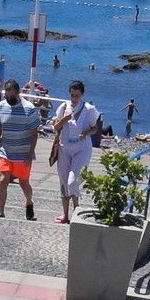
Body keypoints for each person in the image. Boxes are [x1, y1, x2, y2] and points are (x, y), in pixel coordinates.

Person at [51, 79, 99, 224]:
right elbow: (56, 127)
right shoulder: (63, 107)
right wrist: (64, 119)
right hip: (64, 148)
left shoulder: (89, 109)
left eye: (77, 95)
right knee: (64, 183)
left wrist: (86, 133)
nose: (74, 99)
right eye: (72, 95)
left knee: (72, 181)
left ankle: (77, 210)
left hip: (82, 149)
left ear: (82, 95)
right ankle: (66, 215)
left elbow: (95, 128)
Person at [0, 77, 40, 220]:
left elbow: (34, 133)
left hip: (22, 153)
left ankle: (29, 202)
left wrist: (30, 153)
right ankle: (1, 211)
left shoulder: (29, 109)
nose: (9, 97)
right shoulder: (1, 106)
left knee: (23, 183)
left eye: (12, 94)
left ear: (18, 92)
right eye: (7, 94)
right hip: (5, 151)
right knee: (3, 180)